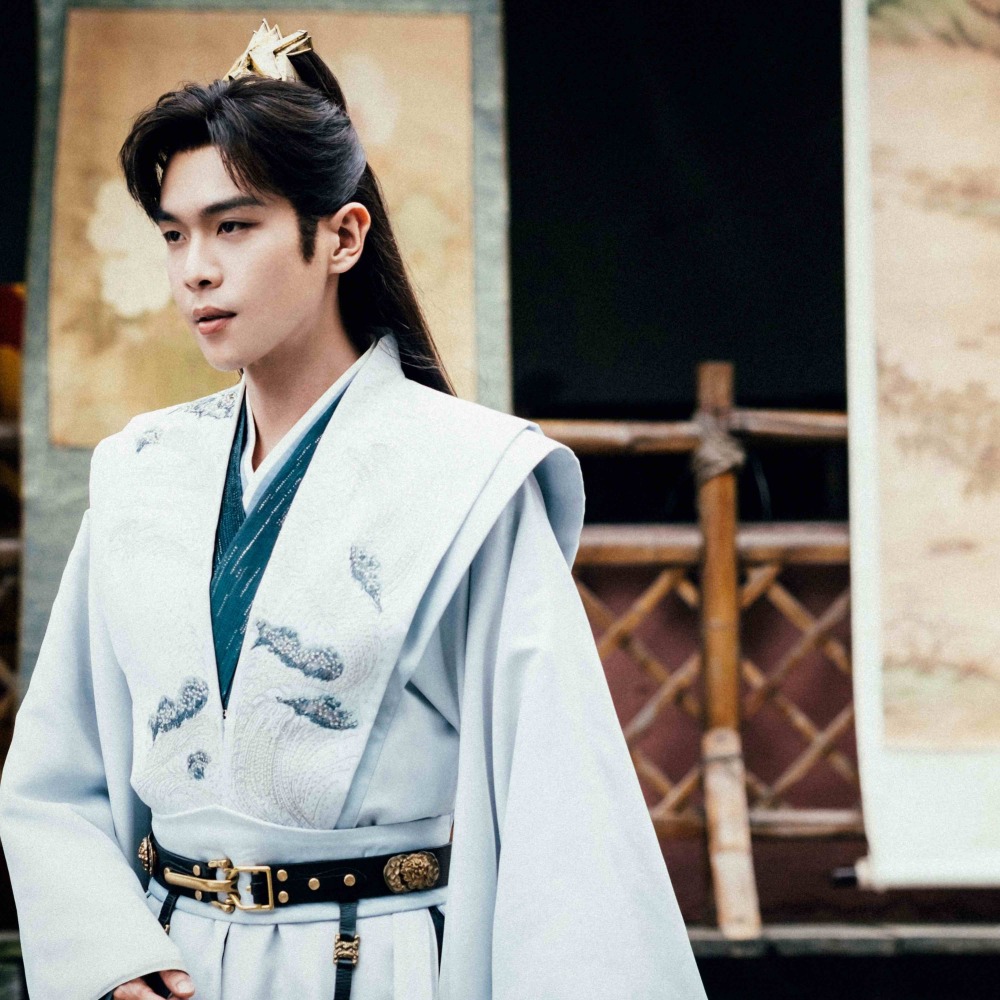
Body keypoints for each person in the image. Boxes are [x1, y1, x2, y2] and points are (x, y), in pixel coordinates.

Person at [0, 20, 707, 1000]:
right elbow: (57, 770)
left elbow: (563, 808)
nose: (195, 268)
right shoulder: (140, 472)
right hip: (169, 961)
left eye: (233, 226)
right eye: (174, 233)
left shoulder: (466, 477)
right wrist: (112, 957)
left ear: (341, 236)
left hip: (372, 959)